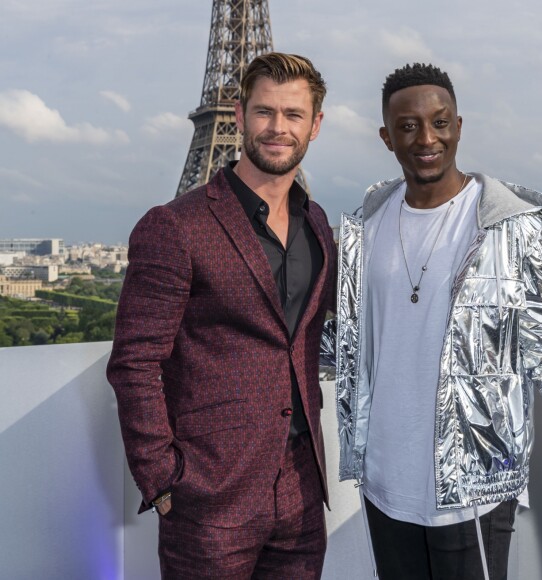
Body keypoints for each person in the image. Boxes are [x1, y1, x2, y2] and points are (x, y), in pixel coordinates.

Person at [333, 63, 542, 579]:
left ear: (459, 126)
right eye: (408, 126)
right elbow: (348, 343)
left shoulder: (507, 227)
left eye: (440, 122)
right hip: (382, 481)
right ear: (386, 137)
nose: (427, 138)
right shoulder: (366, 226)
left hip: (473, 486)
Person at [107, 52, 336, 580]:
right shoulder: (175, 225)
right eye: (265, 112)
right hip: (210, 498)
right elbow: (134, 363)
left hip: (301, 492)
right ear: (238, 115)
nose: (278, 128)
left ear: (315, 125)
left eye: (294, 114)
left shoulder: (317, 224)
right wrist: (163, 479)